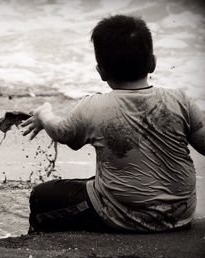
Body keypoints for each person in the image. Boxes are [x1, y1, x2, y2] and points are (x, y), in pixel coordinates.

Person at [22, 15, 205, 233]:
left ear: (101, 71)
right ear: (153, 62)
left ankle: (38, 243)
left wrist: (44, 115)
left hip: (124, 216)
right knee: (104, 179)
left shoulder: (94, 106)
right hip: (180, 213)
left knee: (41, 196)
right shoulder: (180, 100)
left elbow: (62, 133)